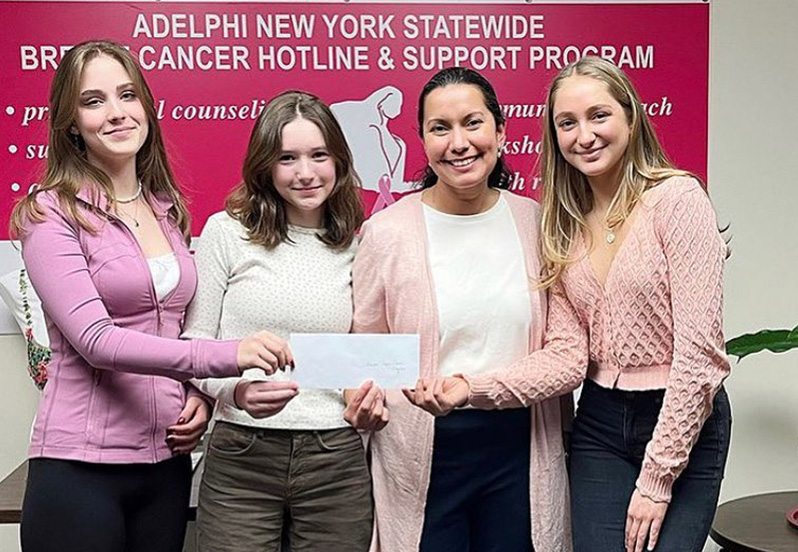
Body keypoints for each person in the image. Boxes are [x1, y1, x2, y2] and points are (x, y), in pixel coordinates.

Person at [410, 56, 732, 552]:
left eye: (598, 115)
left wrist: (657, 479)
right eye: (567, 122)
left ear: (630, 116)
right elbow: (567, 356)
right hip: (600, 421)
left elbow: (699, 359)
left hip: (682, 417)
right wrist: (469, 388)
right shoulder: (562, 221)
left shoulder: (678, 200)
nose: (584, 135)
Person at [10, 40, 290, 552]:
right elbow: (98, 341)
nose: (116, 113)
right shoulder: (49, 214)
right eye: (93, 101)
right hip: (80, 468)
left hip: (165, 463)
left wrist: (199, 394)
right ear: (70, 122)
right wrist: (226, 359)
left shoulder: (167, 210)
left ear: (147, 106)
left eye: (127, 95)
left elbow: (179, 327)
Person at [352, 67, 571, 552]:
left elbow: (566, 350)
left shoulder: (538, 223)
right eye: (439, 128)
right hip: (421, 454)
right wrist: (362, 395)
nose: (458, 143)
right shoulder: (386, 231)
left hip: (521, 446)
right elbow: (364, 347)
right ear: (423, 141)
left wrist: (473, 390)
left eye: (472, 123)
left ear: (500, 130)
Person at [182, 90, 385, 552]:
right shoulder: (225, 232)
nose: (306, 173)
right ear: (264, 166)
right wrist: (233, 391)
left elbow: (364, 354)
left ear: (339, 160)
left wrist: (370, 394)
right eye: (287, 158)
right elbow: (194, 344)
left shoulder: (358, 246)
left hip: (336, 457)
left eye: (319, 155)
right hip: (241, 455)